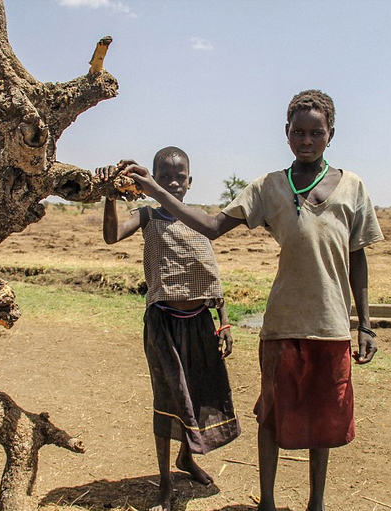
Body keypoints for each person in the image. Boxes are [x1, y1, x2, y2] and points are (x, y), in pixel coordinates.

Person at [118, 90, 384, 511]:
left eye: (316, 132)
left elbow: (358, 257)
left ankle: (316, 503)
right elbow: (210, 225)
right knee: (272, 416)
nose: (307, 140)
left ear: (331, 134)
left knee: (323, 419)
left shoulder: (353, 188)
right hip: (281, 323)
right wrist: (153, 191)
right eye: (299, 132)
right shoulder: (269, 187)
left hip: (332, 323)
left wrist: (365, 323)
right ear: (286, 133)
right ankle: (269, 504)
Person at [97, 146, 240, 511]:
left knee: (197, 394)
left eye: (180, 177)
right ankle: (164, 482)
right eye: (165, 177)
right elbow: (112, 236)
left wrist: (223, 322)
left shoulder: (200, 220)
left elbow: (211, 274)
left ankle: (186, 459)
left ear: (190, 182)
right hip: (163, 322)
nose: (173, 183)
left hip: (200, 324)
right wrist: (111, 196)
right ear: (153, 180)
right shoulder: (146, 215)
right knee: (168, 396)